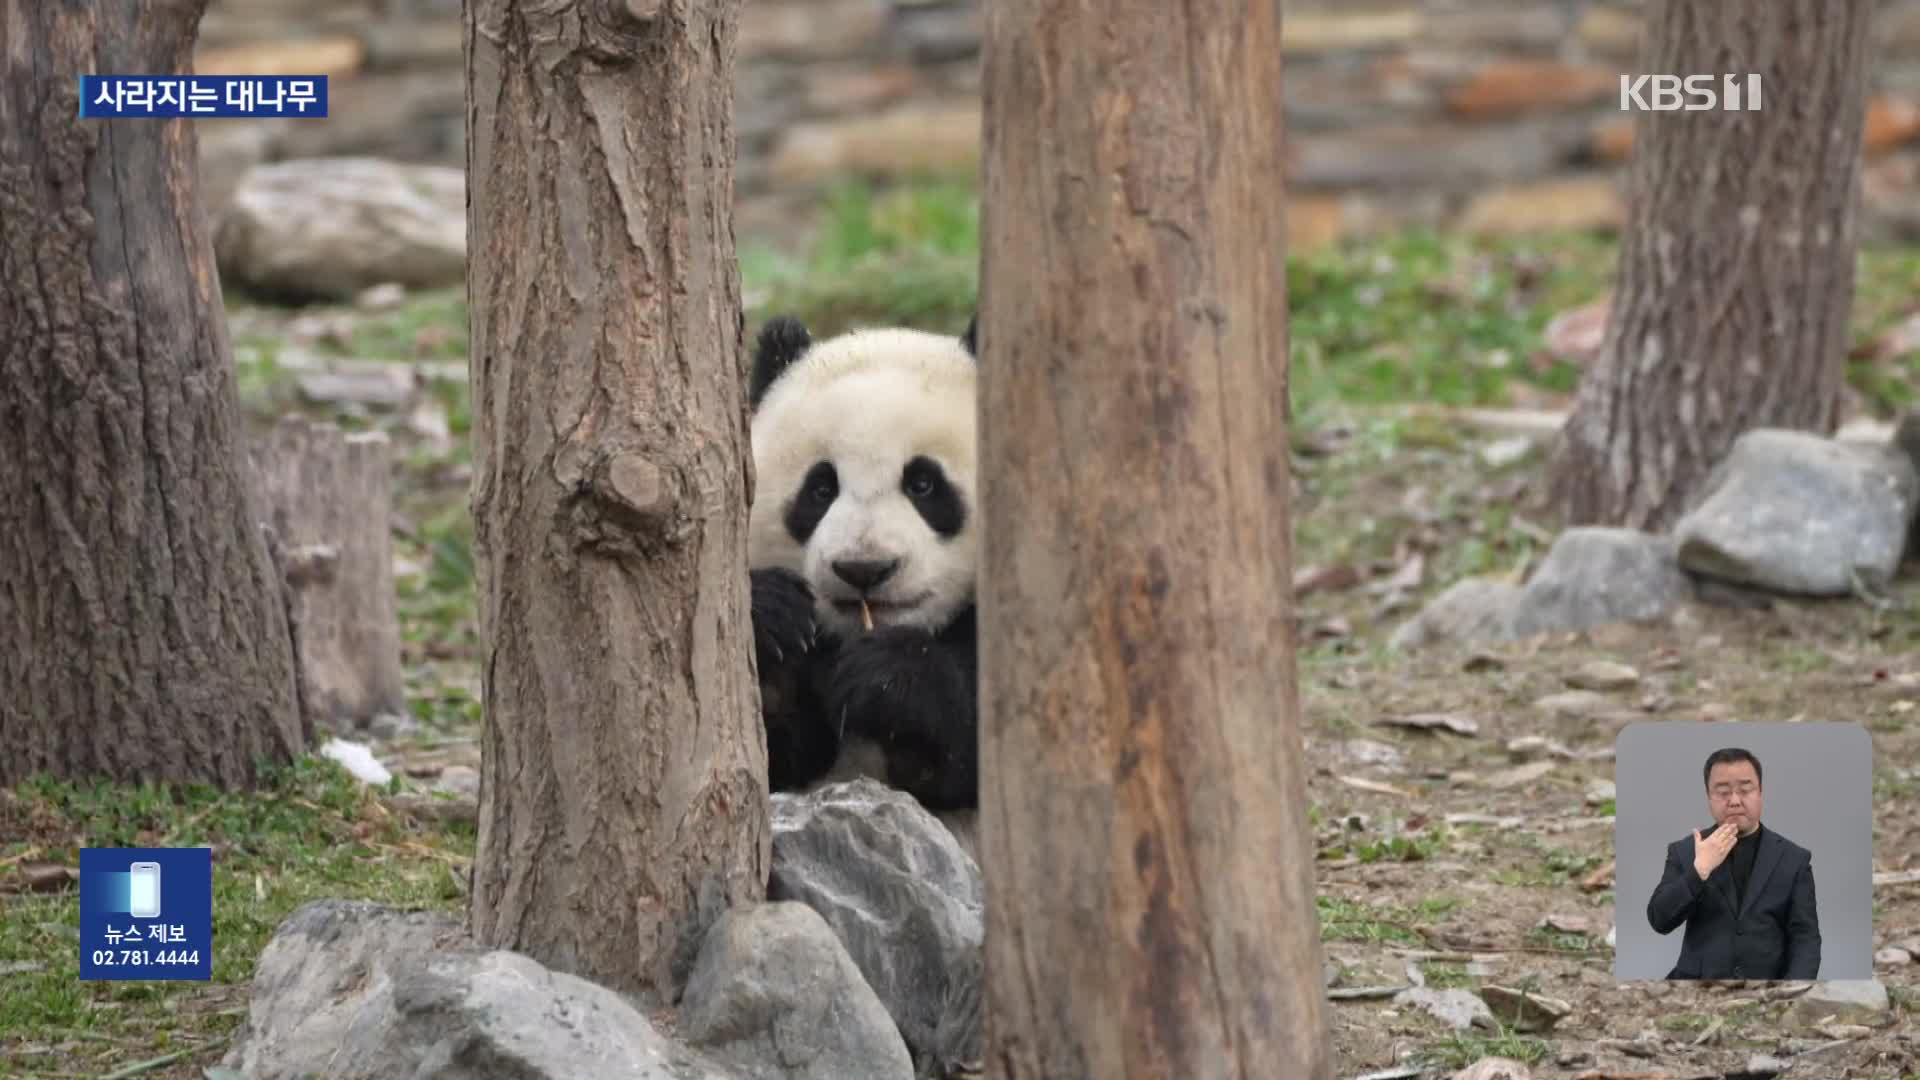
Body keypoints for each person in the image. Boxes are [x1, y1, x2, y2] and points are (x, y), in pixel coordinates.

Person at [1645, 747, 1821, 980]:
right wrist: (1699, 871)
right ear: (1709, 797)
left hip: (1766, 989)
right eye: (1723, 792)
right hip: (1698, 987)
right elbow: (1660, 920)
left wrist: (1790, 993)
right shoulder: (1685, 851)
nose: (1735, 801)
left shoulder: (1793, 859)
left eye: (1745, 790)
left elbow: (1805, 938)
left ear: (1760, 793)